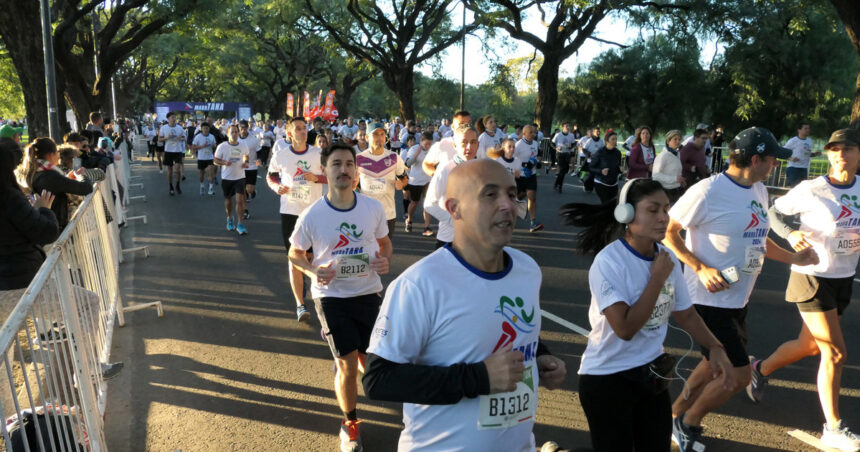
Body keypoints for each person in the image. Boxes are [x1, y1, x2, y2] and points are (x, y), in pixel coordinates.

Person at [363, 159, 566, 451]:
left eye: (512, 194)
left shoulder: (527, 269)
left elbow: (503, 328)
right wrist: (478, 378)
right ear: (454, 209)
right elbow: (378, 379)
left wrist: (542, 357)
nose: (508, 205)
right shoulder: (420, 284)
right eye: (490, 194)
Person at [662, 127, 818, 452]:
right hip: (708, 299)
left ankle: (672, 416)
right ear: (756, 159)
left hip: (737, 298)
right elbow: (668, 231)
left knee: (710, 365)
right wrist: (700, 267)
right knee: (740, 376)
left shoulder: (758, 190)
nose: (776, 165)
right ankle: (688, 422)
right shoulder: (707, 191)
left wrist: (794, 257)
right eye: (773, 159)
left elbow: (758, 242)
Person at [560, 178, 732, 451]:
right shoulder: (610, 262)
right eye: (653, 210)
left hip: (651, 376)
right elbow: (625, 329)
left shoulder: (666, 257)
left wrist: (715, 347)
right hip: (607, 379)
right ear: (626, 214)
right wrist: (656, 280)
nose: (664, 217)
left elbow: (686, 315)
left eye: (666, 209)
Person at [746, 128, 860, 452]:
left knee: (809, 345)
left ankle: (759, 368)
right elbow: (774, 213)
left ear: (858, 154)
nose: (840, 154)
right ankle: (833, 428)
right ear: (827, 154)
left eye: (848, 148)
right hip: (810, 276)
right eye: (834, 148)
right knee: (834, 352)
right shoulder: (812, 189)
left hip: (843, 277)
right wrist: (791, 235)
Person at [288, 143, 391, 452]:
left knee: (370, 361)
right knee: (347, 365)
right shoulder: (312, 215)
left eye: (349, 164)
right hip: (330, 297)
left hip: (368, 293)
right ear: (325, 170)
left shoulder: (372, 208)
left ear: (355, 170)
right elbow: (294, 253)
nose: (343, 169)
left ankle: (344, 346)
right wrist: (312, 271)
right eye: (336, 164)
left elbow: (385, 244)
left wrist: (385, 260)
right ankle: (351, 426)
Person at [267, 117, 326, 323]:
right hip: (290, 211)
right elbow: (271, 176)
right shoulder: (281, 155)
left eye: (305, 128)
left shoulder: (318, 153)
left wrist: (317, 178)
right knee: (294, 257)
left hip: (315, 212)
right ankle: (300, 304)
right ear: (289, 134)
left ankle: (319, 296)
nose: (303, 131)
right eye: (298, 129)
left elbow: (333, 175)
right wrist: (276, 187)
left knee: (313, 257)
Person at [0, 142, 59, 291]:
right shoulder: (9, 197)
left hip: (9, 284)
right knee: (88, 302)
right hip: (21, 283)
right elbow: (47, 233)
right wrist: (44, 209)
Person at [16, 138, 94, 230]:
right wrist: (81, 175)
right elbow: (86, 188)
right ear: (51, 155)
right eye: (57, 153)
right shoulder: (51, 176)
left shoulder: (30, 173)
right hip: (54, 228)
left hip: (39, 226)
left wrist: (67, 179)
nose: (58, 156)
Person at [424, 125, 480, 248]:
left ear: (478, 144)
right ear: (455, 146)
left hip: (475, 240)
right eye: (464, 143)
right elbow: (429, 204)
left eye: (473, 142)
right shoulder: (445, 170)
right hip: (449, 240)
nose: (469, 147)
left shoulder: (482, 169)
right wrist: (453, 220)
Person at [356, 122, 408, 237]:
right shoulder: (359, 159)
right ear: (367, 137)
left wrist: (401, 184)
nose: (380, 138)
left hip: (388, 214)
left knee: (384, 250)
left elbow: (404, 178)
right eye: (375, 135)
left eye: (382, 134)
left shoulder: (394, 157)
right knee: (367, 250)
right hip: (366, 214)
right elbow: (352, 183)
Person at [213, 125, 250, 236]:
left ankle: (240, 224)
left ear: (238, 134)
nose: (234, 134)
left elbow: (246, 156)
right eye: (232, 132)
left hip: (240, 177)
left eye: (236, 132)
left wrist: (245, 162)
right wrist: (224, 163)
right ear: (228, 134)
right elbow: (215, 160)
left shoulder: (243, 146)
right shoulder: (222, 146)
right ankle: (230, 218)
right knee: (229, 201)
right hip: (227, 178)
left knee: (240, 201)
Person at [422, 111, 471, 178]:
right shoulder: (443, 145)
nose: (466, 127)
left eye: (469, 123)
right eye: (462, 124)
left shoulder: (477, 145)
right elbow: (426, 164)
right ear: (453, 127)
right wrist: (438, 177)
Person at [515, 125, 544, 232]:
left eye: (534, 132)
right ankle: (513, 213)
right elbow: (512, 159)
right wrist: (524, 165)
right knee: (519, 197)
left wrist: (537, 162)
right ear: (524, 133)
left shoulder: (535, 143)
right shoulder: (518, 145)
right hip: (520, 176)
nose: (533, 134)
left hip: (531, 175)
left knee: (532, 197)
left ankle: (533, 222)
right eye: (531, 132)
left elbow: (537, 156)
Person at [403, 131, 433, 234]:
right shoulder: (414, 149)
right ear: (421, 141)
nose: (428, 146)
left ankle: (427, 227)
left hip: (428, 180)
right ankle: (409, 220)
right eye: (426, 144)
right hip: (415, 180)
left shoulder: (432, 150)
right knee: (414, 203)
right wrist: (418, 152)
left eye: (430, 144)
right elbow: (408, 163)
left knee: (428, 204)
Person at [589, 130, 623, 204]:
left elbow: (618, 167)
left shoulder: (618, 153)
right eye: (613, 139)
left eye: (616, 139)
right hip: (601, 183)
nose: (615, 141)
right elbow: (591, 167)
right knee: (606, 204)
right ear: (607, 141)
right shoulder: (600, 152)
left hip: (614, 184)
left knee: (612, 205)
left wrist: (621, 170)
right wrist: (601, 171)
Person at [652, 130, 685, 203]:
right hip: (666, 192)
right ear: (668, 141)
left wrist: (680, 180)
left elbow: (674, 172)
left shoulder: (677, 154)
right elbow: (655, 175)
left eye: (679, 139)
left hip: (677, 190)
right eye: (675, 139)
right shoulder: (662, 156)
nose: (678, 141)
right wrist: (675, 179)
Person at [159, 112, 187, 195]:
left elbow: (184, 137)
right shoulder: (164, 128)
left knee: (177, 169)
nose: (174, 119)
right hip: (168, 151)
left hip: (178, 151)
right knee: (170, 171)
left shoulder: (180, 128)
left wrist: (180, 138)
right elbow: (159, 139)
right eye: (172, 117)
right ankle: (171, 186)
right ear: (168, 119)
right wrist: (167, 138)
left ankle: (178, 185)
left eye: (175, 117)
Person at [238, 120, 262, 218]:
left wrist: (259, 159)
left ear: (248, 128)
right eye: (241, 128)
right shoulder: (236, 140)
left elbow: (259, 151)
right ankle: (245, 210)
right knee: (243, 190)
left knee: (249, 189)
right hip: (240, 167)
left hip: (252, 166)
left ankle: (253, 191)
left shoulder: (254, 139)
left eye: (245, 128)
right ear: (239, 128)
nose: (243, 130)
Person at [784, 122, 820, 187]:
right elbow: (783, 152)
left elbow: (807, 154)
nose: (808, 130)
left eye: (808, 128)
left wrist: (815, 154)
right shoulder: (793, 141)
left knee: (802, 190)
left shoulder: (809, 141)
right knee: (795, 190)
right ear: (799, 130)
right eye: (805, 128)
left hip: (804, 169)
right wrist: (791, 158)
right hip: (793, 169)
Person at [191, 122, 217, 195]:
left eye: (207, 128)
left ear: (209, 129)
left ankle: (211, 189)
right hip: (201, 158)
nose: (206, 129)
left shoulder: (212, 136)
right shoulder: (198, 137)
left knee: (211, 172)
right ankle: (202, 185)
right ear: (201, 129)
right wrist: (201, 146)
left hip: (210, 157)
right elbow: (193, 147)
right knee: (201, 174)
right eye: (204, 128)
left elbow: (215, 144)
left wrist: (213, 145)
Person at [552, 122, 577, 193]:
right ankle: (560, 186)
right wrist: (556, 147)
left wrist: (571, 147)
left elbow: (573, 143)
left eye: (568, 126)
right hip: (560, 154)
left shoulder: (571, 135)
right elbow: (552, 143)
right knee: (561, 170)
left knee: (564, 171)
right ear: (562, 127)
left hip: (567, 154)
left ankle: (556, 183)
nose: (568, 127)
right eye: (566, 126)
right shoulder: (558, 135)